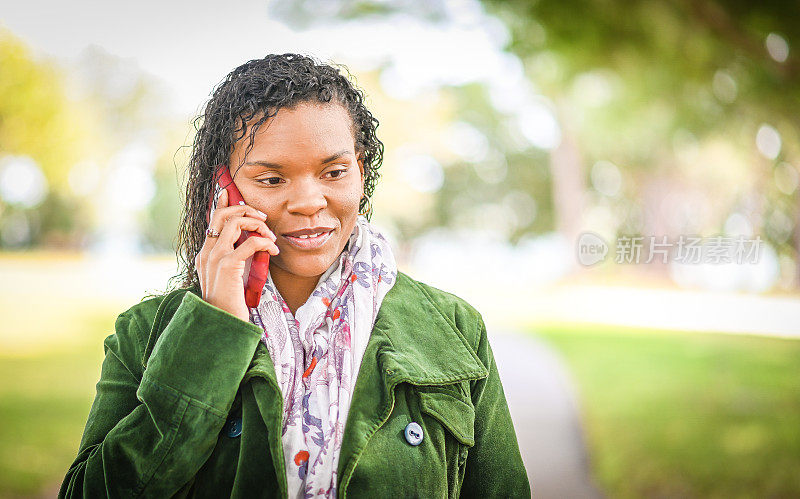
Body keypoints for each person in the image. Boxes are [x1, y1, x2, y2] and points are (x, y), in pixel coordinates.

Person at [59, 54, 530, 498]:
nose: (308, 201)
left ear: (360, 173)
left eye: (334, 171)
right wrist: (213, 330)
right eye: (271, 179)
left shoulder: (453, 328)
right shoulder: (145, 334)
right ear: (223, 190)